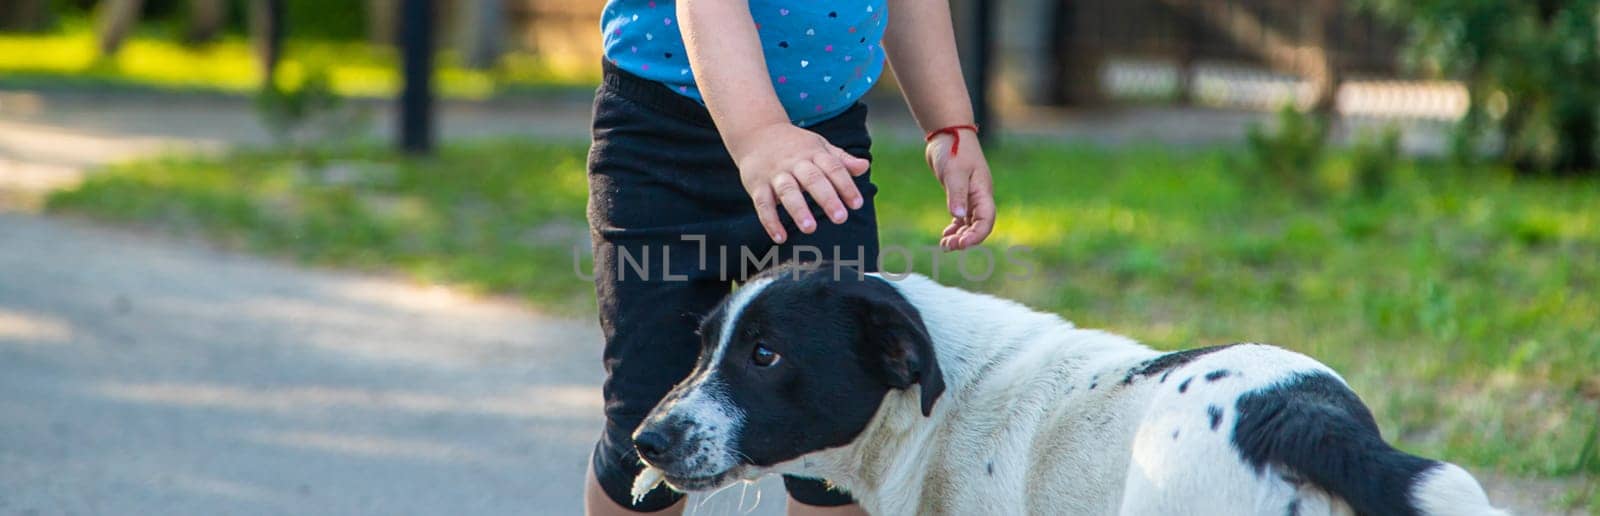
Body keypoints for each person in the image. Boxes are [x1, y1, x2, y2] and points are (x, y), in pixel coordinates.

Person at [584, 0, 996, 513]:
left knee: (843, 420)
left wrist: (948, 127)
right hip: (662, 143)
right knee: (648, 425)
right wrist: (759, 135)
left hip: (823, 150)